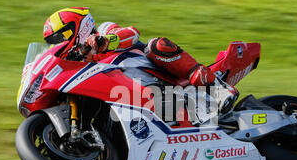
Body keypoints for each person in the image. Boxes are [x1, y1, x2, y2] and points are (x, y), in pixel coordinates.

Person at [43, 7, 238, 119]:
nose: (61, 43)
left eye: (62, 36)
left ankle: (217, 88)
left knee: (156, 45)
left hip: (163, 80)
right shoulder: (77, 68)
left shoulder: (104, 30)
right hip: (135, 100)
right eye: (55, 41)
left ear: (78, 26)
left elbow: (132, 33)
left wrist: (105, 42)